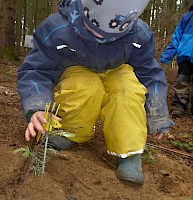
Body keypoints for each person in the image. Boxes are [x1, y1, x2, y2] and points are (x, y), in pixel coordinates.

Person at [17, 0, 174, 185]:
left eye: (110, 37)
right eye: (92, 31)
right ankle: (66, 132)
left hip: (118, 68)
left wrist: (158, 113)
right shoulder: (57, 28)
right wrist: (36, 107)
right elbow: (36, 70)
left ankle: (129, 151)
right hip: (75, 68)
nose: (100, 38)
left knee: (128, 90)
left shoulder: (139, 34)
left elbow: (150, 74)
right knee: (86, 87)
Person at [160, 4, 193, 118]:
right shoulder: (187, 17)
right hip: (186, 55)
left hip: (185, 53)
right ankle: (178, 107)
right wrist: (167, 55)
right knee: (182, 81)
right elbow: (177, 37)